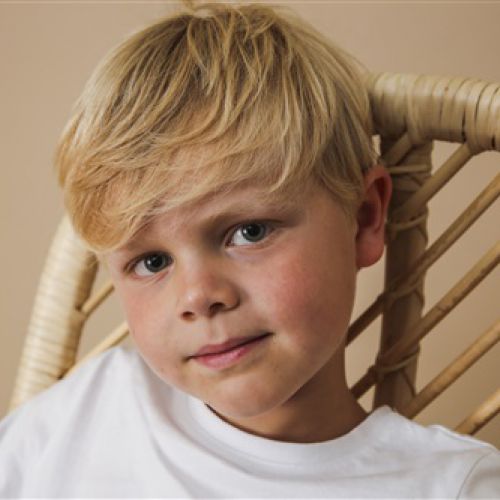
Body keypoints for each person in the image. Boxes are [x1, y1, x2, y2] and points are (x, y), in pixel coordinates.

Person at [0, 1, 499, 497]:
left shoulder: (448, 486)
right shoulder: (87, 410)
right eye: (152, 262)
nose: (198, 296)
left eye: (250, 232)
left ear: (364, 217)